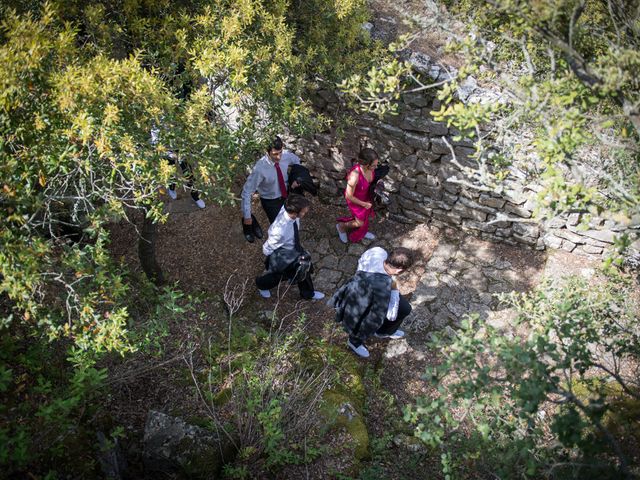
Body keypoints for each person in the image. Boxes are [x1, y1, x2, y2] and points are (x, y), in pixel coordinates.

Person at [329, 246, 414, 358]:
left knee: (405, 309)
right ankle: (354, 341)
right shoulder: (383, 286)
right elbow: (388, 315)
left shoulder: (378, 251)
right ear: (399, 270)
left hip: (359, 284)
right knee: (364, 321)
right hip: (363, 296)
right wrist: (393, 291)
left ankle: (384, 331)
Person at [256, 194, 325, 300]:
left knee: (303, 267)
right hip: (284, 253)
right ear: (294, 212)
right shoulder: (279, 231)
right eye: (303, 211)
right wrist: (276, 260)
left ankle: (308, 293)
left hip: (295, 248)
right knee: (279, 275)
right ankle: (262, 285)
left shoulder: (288, 208)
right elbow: (268, 247)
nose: (305, 212)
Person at [241, 136, 301, 242]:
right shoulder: (259, 169)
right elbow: (246, 192)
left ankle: (293, 245)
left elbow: (296, 160)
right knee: (281, 230)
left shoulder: (286, 155)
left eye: (280, 152)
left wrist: (296, 177)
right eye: (275, 154)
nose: (279, 157)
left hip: (287, 195)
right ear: (267, 152)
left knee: (295, 222)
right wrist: (247, 217)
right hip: (271, 202)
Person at [336, 148, 379, 243]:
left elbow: (371, 181)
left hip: (365, 196)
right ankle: (341, 227)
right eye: (374, 165)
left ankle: (363, 232)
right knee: (360, 222)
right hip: (355, 200)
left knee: (365, 217)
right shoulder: (354, 176)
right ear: (366, 165)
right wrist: (363, 204)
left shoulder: (370, 169)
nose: (375, 167)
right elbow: (349, 196)